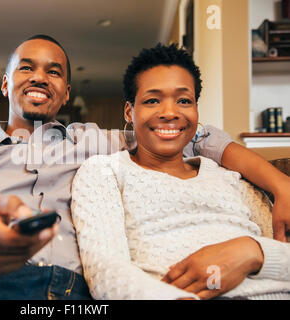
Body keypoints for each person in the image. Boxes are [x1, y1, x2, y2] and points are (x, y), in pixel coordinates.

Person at [0, 35, 290, 299]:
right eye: (26, 67)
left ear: (66, 93)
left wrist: (281, 185)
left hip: (80, 294)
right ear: (4, 84)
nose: (39, 77)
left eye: (54, 71)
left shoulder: (96, 142)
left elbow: (195, 134)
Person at [71, 43, 290, 300]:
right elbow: (107, 274)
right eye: (153, 100)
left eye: (184, 100)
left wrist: (253, 252)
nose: (170, 113)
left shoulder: (232, 179)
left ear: (196, 109)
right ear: (130, 111)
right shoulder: (104, 172)